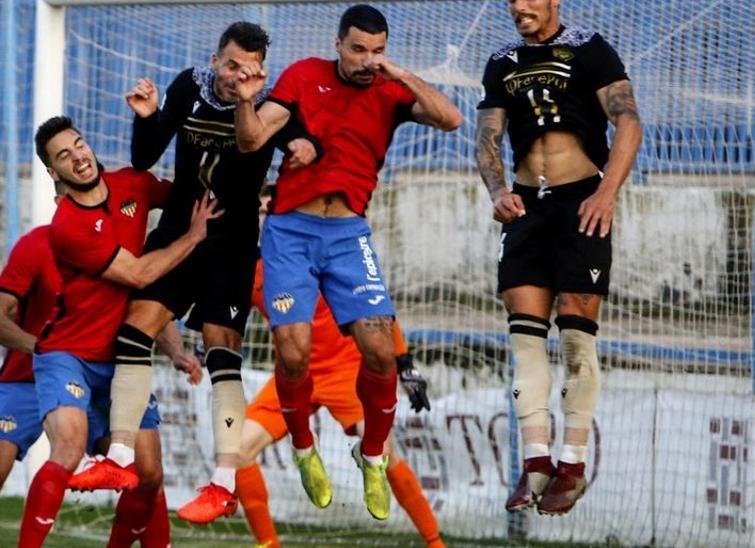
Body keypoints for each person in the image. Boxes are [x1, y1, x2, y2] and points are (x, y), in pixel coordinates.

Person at [69, 21, 321, 525]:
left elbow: (303, 143)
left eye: (248, 69)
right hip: (179, 234)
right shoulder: (189, 87)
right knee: (134, 330)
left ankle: (223, 483)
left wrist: (303, 148)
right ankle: (119, 456)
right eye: (231, 65)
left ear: (261, 70)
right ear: (214, 60)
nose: (237, 76)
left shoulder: (272, 105)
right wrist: (147, 117)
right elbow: (144, 158)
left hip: (229, 246)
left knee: (221, 350)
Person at [232, 4, 462, 519]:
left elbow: (450, 119)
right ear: (339, 43)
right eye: (358, 49)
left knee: (380, 349)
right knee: (293, 353)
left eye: (376, 51)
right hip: (290, 230)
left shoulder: (390, 90)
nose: (366, 60)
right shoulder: (303, 76)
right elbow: (250, 139)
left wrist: (399, 73)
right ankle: (303, 448)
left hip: (347, 233)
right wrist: (248, 101)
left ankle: (373, 457)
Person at [0, 183, 193, 548]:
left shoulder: (118, 249)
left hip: (102, 374)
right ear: (58, 203)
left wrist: (178, 351)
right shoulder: (36, 246)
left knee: (146, 474)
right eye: (72, 198)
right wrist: (42, 350)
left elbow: (145, 310)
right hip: (28, 377)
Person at [17, 115, 219, 546]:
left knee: (149, 477)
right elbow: (142, 276)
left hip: (123, 359)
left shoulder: (135, 184)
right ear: (54, 173)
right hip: (67, 355)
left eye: (79, 145)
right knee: (69, 448)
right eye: (64, 156)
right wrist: (193, 238)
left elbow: (188, 193)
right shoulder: (67, 226)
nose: (79, 157)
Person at [475, 0, 641, 516]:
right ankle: (535, 464)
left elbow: (629, 123)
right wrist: (497, 190)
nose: (520, 7)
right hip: (527, 208)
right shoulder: (502, 61)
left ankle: (571, 463)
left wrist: (606, 194)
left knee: (574, 338)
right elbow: (487, 139)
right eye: (512, 0)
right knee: (524, 340)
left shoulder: (589, 48)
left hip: (582, 204)